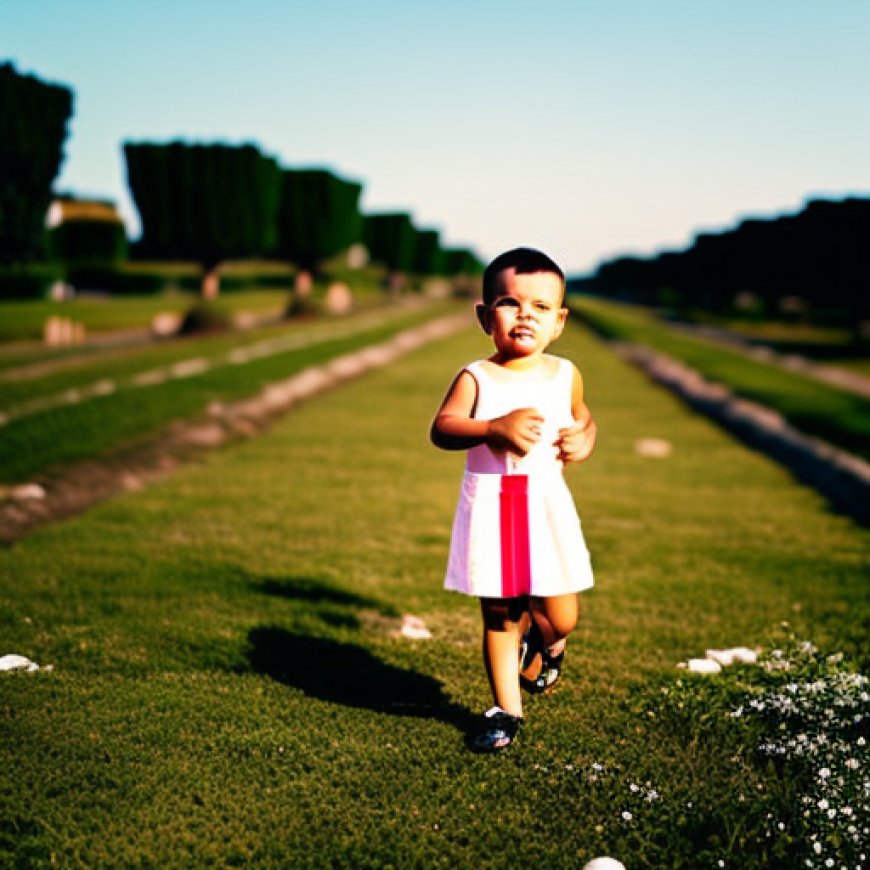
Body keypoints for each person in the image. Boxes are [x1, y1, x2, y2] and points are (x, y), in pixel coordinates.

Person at [431, 247, 596, 752]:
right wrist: (492, 428)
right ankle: (506, 710)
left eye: (541, 307)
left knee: (561, 613)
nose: (526, 314)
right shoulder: (476, 376)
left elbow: (582, 416)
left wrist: (585, 437)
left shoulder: (565, 374)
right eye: (509, 302)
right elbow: (443, 428)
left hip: (544, 506)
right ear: (485, 316)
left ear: (559, 321)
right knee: (500, 613)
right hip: (492, 504)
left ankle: (549, 640)